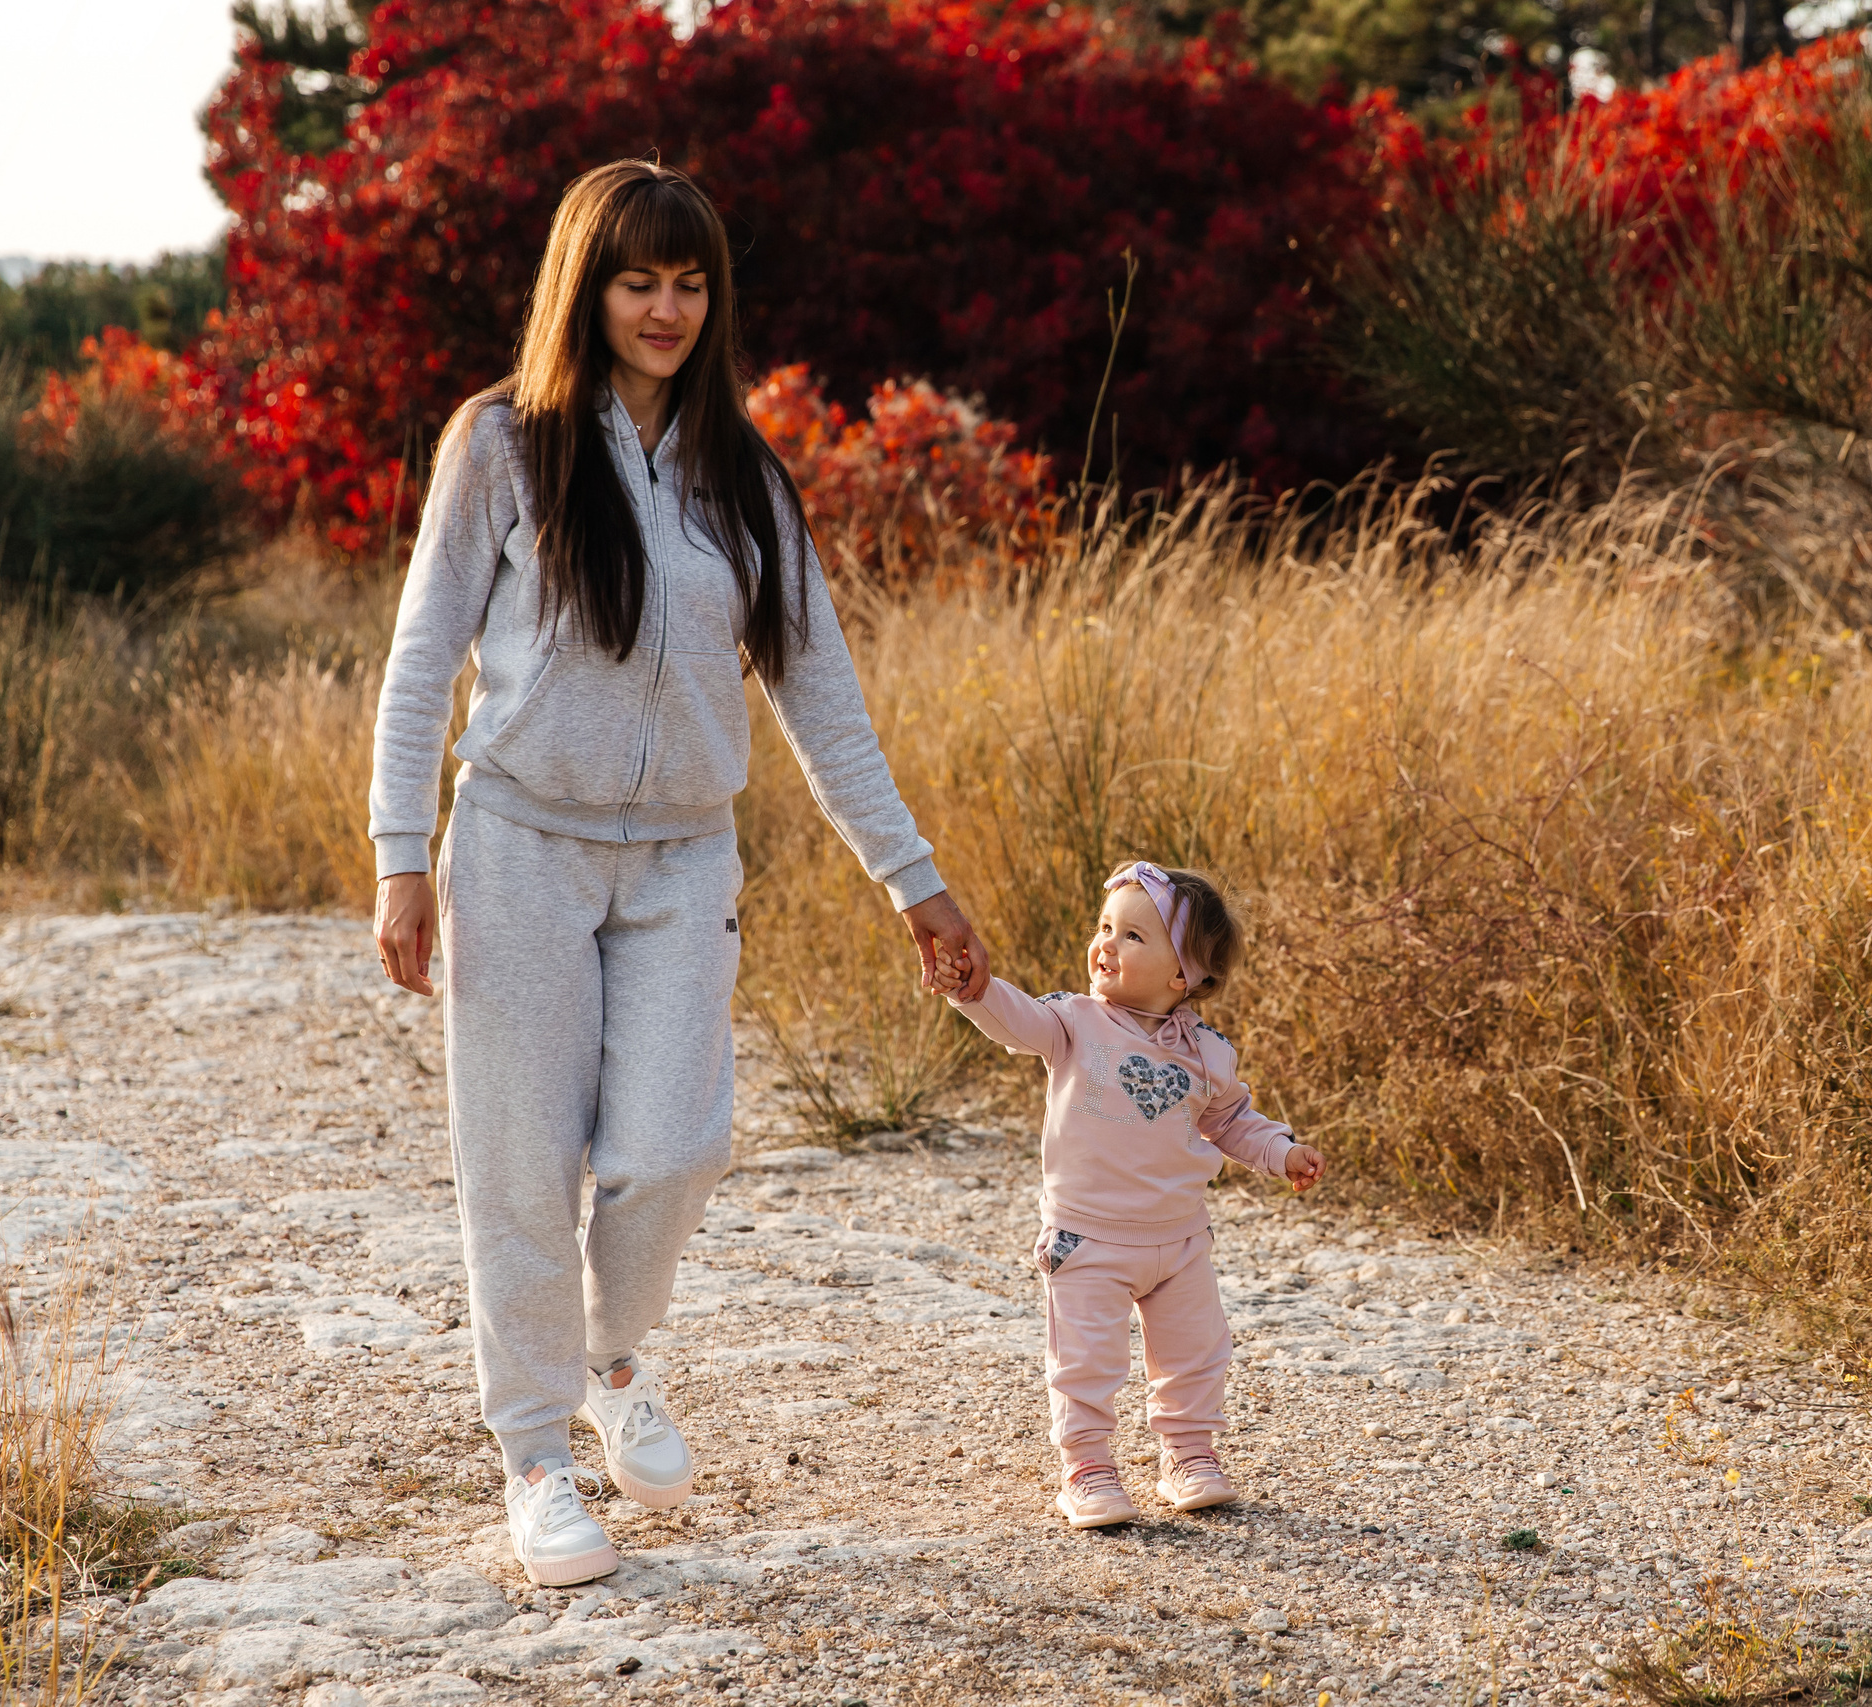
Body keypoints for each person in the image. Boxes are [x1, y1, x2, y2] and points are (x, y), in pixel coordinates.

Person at [367, 159, 990, 1587]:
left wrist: (915, 880)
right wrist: (402, 855)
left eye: (690, 280)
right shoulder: (505, 446)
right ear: (587, 287)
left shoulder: (745, 477)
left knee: (673, 1142)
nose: (665, 307)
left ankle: (612, 1355)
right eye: (638, 279)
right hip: (518, 843)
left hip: (682, 856)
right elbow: (420, 667)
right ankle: (535, 1454)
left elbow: (819, 694)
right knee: (520, 1164)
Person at [932, 862, 1323, 1527]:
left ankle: (1189, 1454)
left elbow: (1231, 1121)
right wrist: (975, 988)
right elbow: (1012, 1017)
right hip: (1088, 1239)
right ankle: (1087, 1467)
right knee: (1085, 1360)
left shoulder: (1205, 1051)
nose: (1106, 944)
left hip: (1179, 1239)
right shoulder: (1073, 1022)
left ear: (1184, 975)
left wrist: (1280, 1151)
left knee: (1197, 1352)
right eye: (1105, 926)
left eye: (1133, 935)